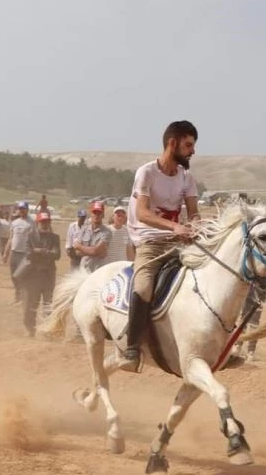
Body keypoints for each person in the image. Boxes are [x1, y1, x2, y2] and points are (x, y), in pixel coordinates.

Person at [121, 120, 200, 373]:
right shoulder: (147, 173)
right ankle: (132, 348)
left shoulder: (187, 178)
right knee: (143, 286)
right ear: (172, 143)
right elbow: (143, 213)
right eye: (188, 145)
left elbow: (194, 213)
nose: (193, 151)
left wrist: (194, 227)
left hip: (178, 242)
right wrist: (175, 227)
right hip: (149, 242)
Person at [22, 211, 60, 337]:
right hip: (33, 275)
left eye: (47, 221)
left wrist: (39, 251)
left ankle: (47, 330)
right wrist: (45, 252)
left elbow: (57, 255)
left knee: (48, 305)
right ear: (37, 222)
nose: (45, 224)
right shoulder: (30, 236)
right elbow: (28, 254)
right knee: (31, 304)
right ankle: (30, 329)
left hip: (48, 275)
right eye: (42, 222)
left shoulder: (55, 237)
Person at [2, 201, 34, 303]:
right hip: (14, 252)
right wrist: (5, 254)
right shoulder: (15, 223)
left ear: (27, 210)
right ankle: (18, 297)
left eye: (23, 209)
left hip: (25, 253)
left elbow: (35, 239)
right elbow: (10, 238)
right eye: (20, 209)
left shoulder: (32, 223)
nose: (22, 210)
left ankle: (23, 298)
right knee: (14, 276)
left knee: (22, 276)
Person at [74, 201, 113, 272]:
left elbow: (95, 250)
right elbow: (77, 252)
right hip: (83, 270)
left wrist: (79, 246)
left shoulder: (107, 232)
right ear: (91, 214)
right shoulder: (84, 229)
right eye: (94, 212)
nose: (96, 215)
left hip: (98, 271)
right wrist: (96, 253)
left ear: (103, 215)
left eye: (99, 213)